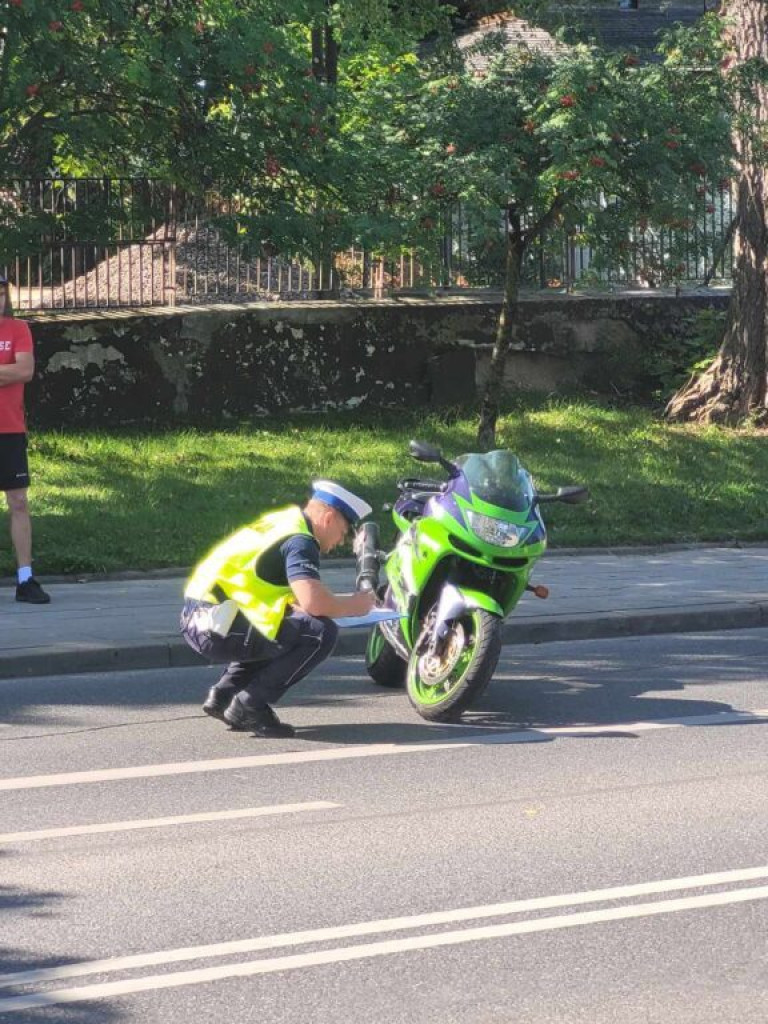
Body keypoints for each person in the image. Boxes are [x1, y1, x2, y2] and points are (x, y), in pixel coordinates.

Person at [181, 480, 376, 737]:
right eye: (343, 531)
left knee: (286, 626)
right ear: (329, 518)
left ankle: (225, 694)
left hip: (201, 618)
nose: (340, 541)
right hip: (219, 626)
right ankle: (250, 705)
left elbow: (274, 588)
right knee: (319, 632)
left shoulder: (282, 521)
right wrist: (355, 605)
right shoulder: (301, 541)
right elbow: (314, 603)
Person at [0, 273, 50, 604]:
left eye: (2, 293)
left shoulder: (18, 329)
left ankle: (25, 578)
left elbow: (25, 371)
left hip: (10, 430)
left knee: (18, 502)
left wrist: (12, 370)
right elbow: (12, 370)